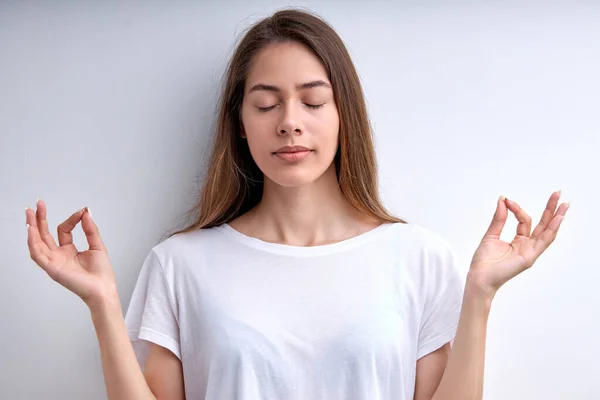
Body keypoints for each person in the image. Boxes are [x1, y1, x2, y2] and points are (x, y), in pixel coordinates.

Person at [24, 7, 569, 400]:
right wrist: (101, 304)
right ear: (240, 123)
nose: (289, 121)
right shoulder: (180, 264)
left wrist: (478, 297)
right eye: (266, 104)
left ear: (342, 115)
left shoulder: (418, 256)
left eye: (312, 100)